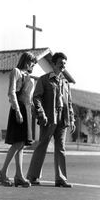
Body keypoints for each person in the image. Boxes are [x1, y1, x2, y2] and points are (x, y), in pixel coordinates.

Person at [26, 52, 75, 187]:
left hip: (62, 119)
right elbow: (36, 97)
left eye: (64, 63)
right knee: (42, 146)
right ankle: (32, 176)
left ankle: (61, 179)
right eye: (60, 63)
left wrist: (72, 119)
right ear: (53, 64)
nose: (63, 66)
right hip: (48, 118)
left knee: (61, 148)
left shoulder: (65, 83)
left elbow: (69, 103)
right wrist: (42, 113)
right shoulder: (44, 79)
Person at [0, 52, 37, 187]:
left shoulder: (30, 78)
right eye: (32, 62)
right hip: (18, 108)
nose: (33, 65)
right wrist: (17, 111)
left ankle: (19, 176)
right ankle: (3, 173)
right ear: (26, 61)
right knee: (17, 144)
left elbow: (29, 99)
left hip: (26, 110)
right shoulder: (16, 72)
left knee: (21, 145)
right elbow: (11, 92)